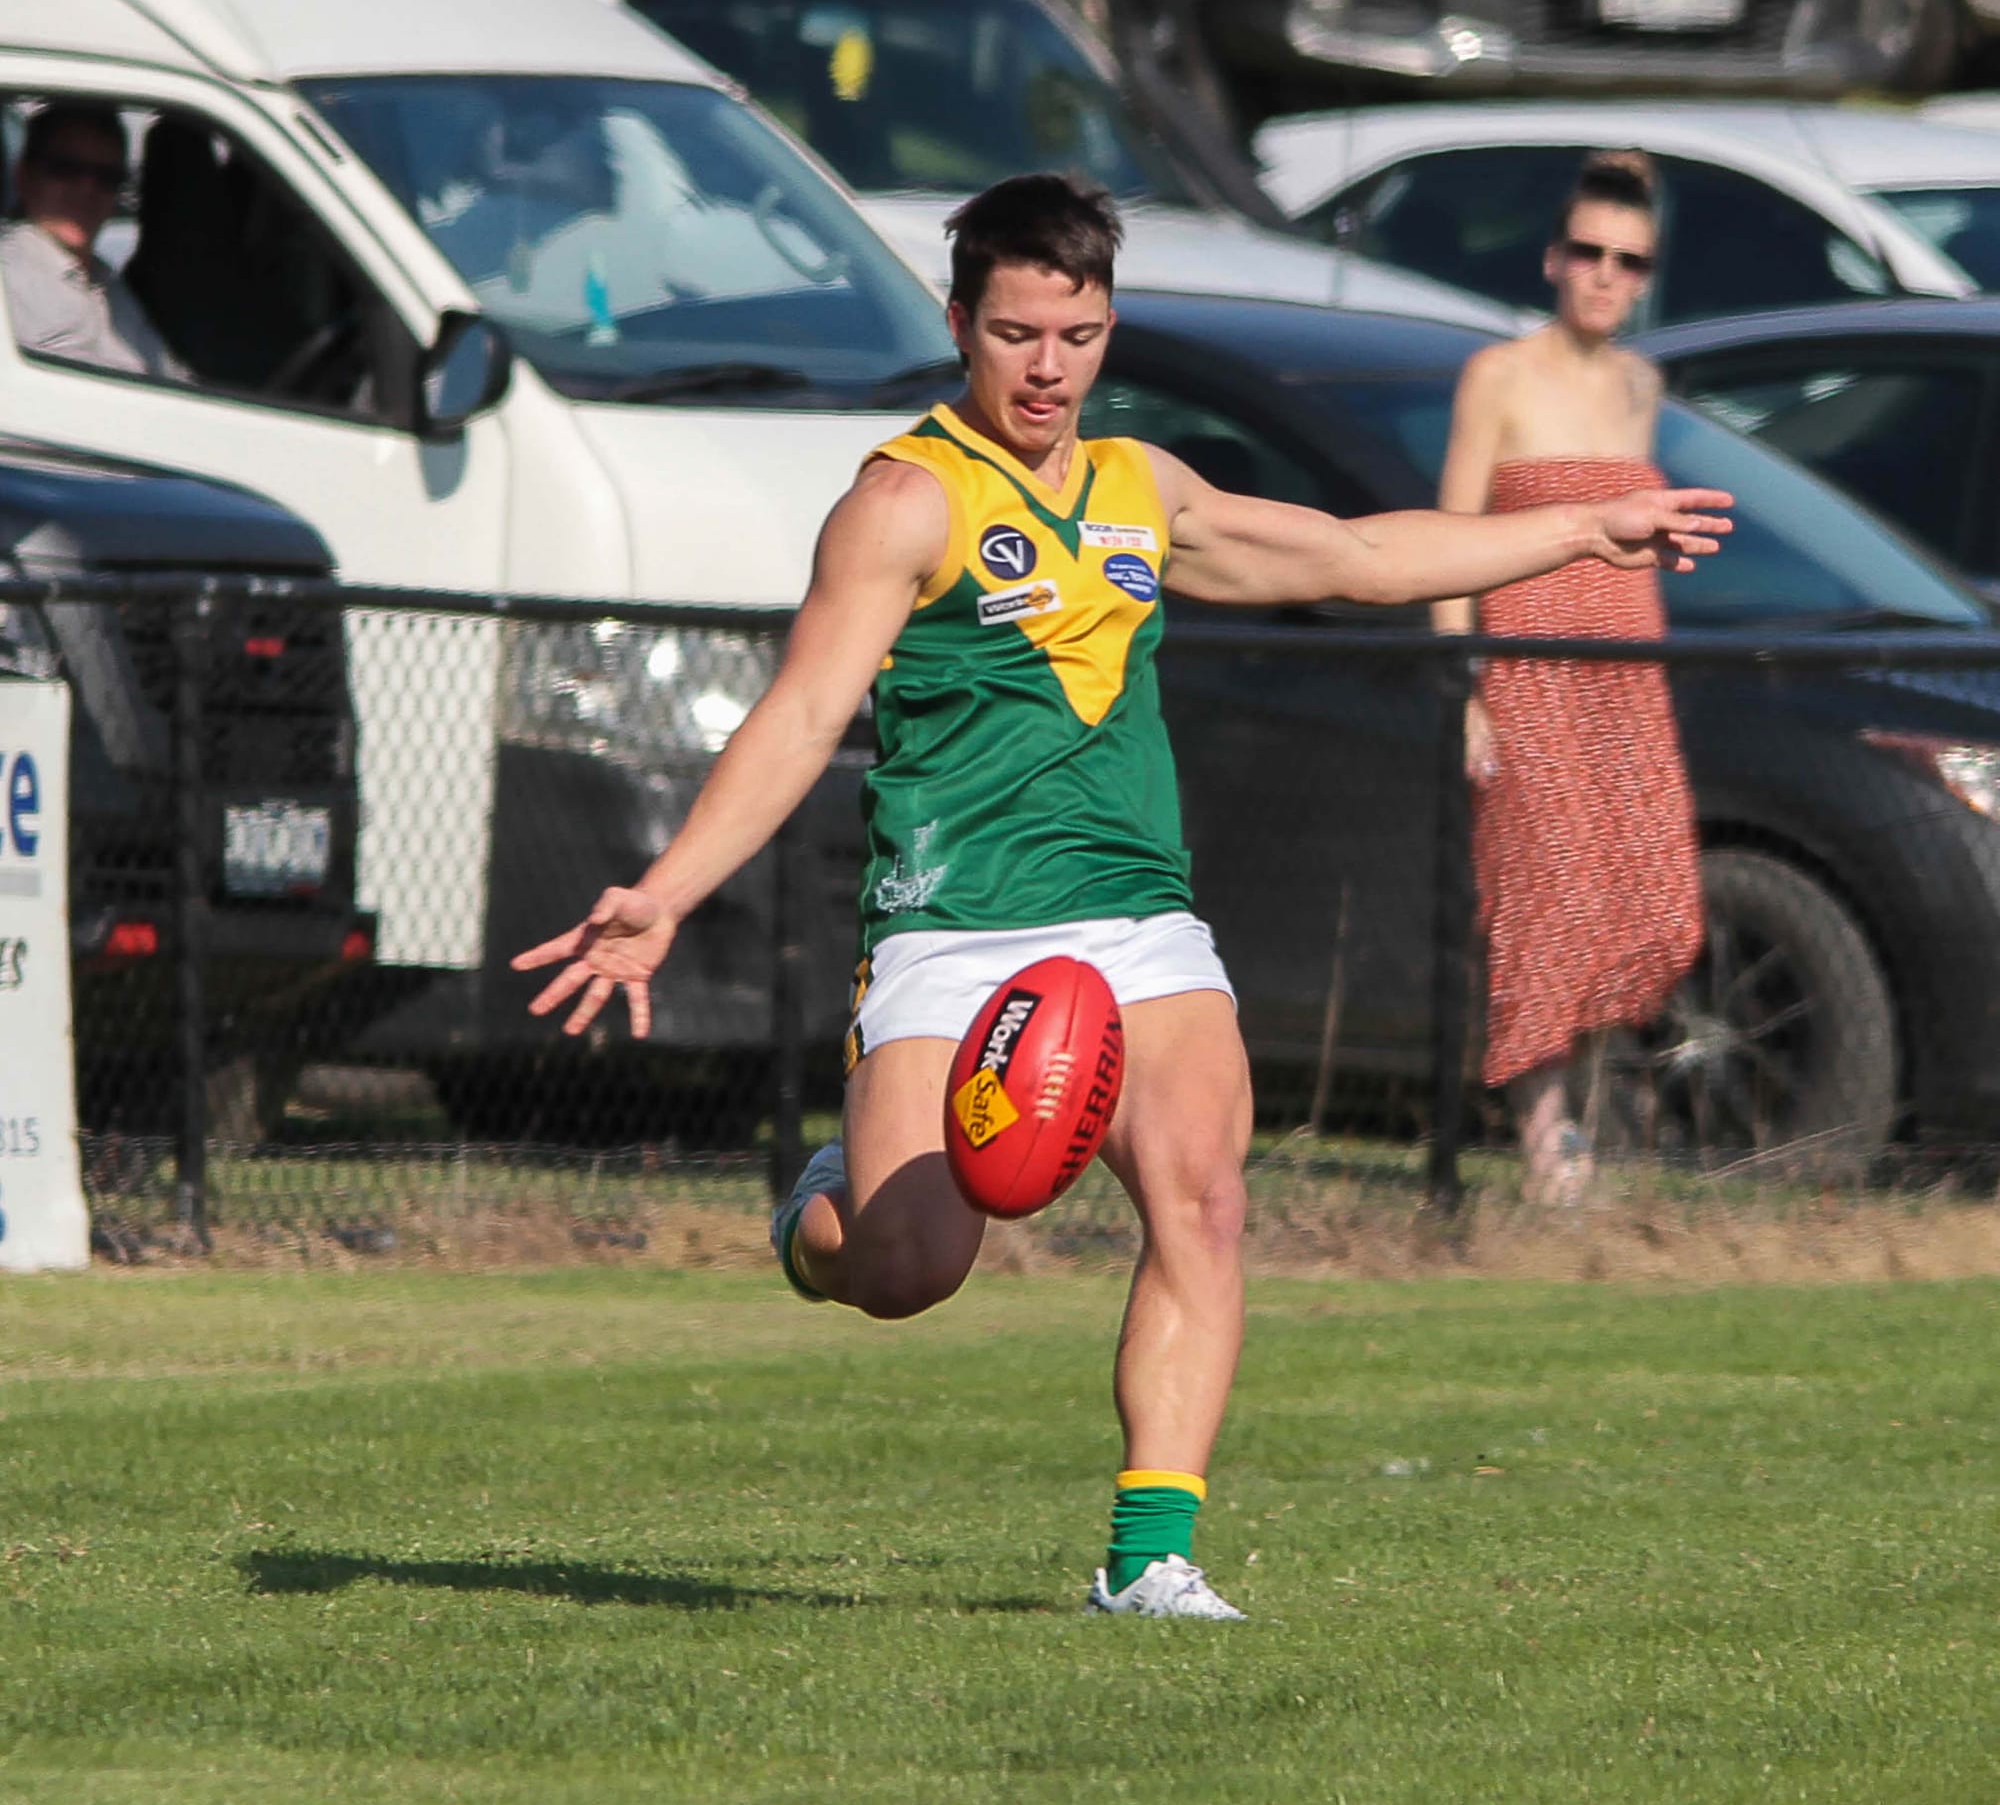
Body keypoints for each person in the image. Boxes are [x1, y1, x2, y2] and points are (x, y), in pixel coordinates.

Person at [516, 172, 1730, 1618]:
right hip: (951, 925)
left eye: (1078, 334)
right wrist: (665, 889)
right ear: (962, 323)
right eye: (1018, 333)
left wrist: (1581, 534)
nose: (1048, 367)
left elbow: (1350, 557)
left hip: (1136, 915)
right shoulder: (904, 502)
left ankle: (1152, 1553)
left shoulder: (1140, 488)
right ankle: (818, 1215)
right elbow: (796, 716)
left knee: (1204, 1200)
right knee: (911, 1267)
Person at [1434, 150, 1707, 1207]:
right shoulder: (1495, 377)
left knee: (1647, 900)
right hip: (1526, 669)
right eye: (1586, 251)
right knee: (1539, 896)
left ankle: (1587, 1113)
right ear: (1552, 257)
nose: (1603, 274)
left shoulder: (1642, 384)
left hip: (1625, 675)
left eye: (1626, 260)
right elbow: (1454, 536)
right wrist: (1463, 683)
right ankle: (1547, 1141)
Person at [0, 102, 184, 379]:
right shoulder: (9, 277)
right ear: (25, 176)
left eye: (107, 177)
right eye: (66, 169)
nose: (87, 189)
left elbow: (174, 378)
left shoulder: (106, 279)